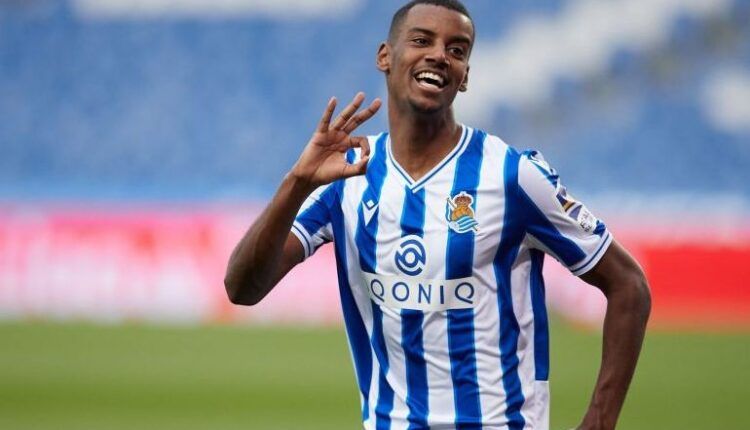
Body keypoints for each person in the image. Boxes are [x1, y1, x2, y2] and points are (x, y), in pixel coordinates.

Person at [224, 1, 651, 428]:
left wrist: (600, 418)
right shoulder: (348, 174)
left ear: (465, 77)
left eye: (457, 49)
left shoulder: (511, 175)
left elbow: (628, 283)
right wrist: (297, 182)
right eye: (422, 40)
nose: (439, 55)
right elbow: (243, 288)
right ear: (384, 56)